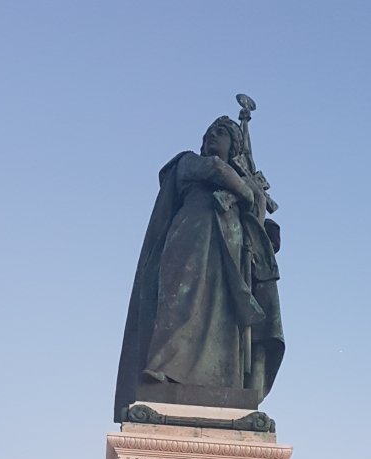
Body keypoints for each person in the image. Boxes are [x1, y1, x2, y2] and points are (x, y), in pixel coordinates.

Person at [114, 115, 284, 420]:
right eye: (209, 132)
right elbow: (216, 169)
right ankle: (163, 368)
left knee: (222, 312)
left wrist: (255, 199)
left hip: (228, 250)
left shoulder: (240, 179)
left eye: (220, 133)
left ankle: (222, 380)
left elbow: (257, 221)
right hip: (191, 234)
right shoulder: (188, 162)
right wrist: (247, 191)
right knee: (182, 300)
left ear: (235, 145)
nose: (211, 137)